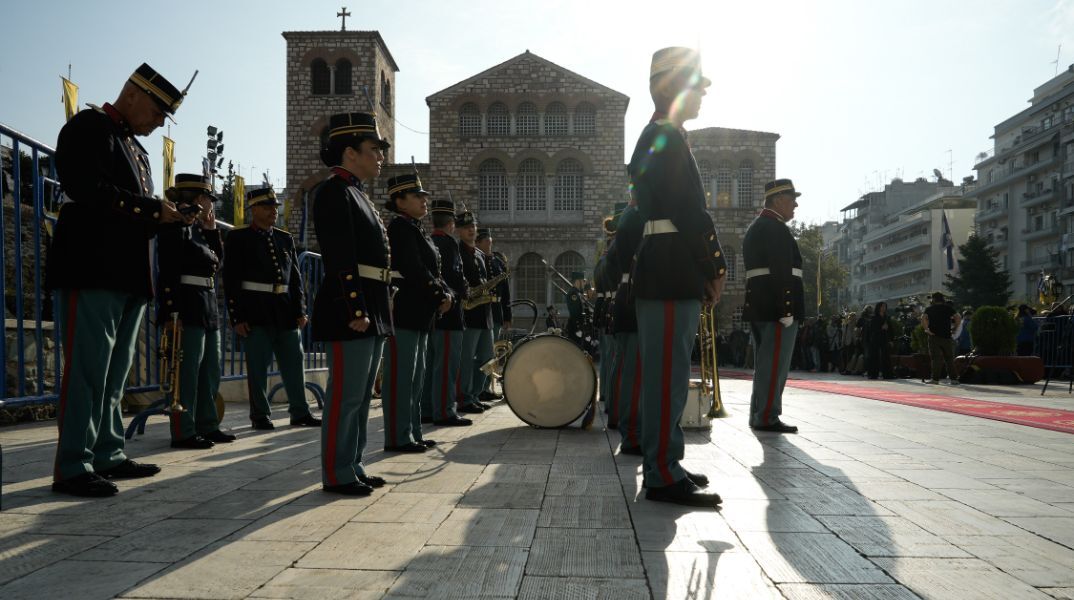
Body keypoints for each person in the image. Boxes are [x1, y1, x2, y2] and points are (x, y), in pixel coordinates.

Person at [46, 63, 195, 497]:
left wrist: (168, 218)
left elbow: (131, 209)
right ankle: (73, 464)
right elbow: (87, 187)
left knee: (113, 374)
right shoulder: (90, 126)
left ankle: (108, 451)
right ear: (132, 94)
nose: (160, 121)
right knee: (87, 372)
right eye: (157, 110)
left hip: (128, 273)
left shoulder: (137, 149)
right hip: (91, 267)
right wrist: (152, 211)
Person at [630, 47, 726, 507]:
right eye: (696, 85)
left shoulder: (662, 136)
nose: (703, 94)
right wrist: (714, 266)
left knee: (667, 374)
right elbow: (690, 211)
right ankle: (662, 474)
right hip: (671, 268)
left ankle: (666, 460)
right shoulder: (663, 137)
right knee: (667, 376)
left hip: (666, 266)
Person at [310, 111, 393, 495]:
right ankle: (337, 471)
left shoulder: (356, 192)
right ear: (349, 152)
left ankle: (353, 463)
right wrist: (355, 309)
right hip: (353, 309)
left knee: (360, 397)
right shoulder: (333, 192)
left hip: (372, 306)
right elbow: (340, 256)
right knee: (344, 397)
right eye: (373, 149)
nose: (381, 156)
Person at [224, 187, 320, 430]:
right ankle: (260, 415)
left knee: (294, 363)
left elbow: (295, 279)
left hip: (285, 311)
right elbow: (231, 280)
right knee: (257, 368)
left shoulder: (283, 238)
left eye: (274, 207)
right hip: (256, 311)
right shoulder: (238, 238)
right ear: (253, 209)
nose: (272, 212)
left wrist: (300, 309)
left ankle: (300, 411)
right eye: (267, 207)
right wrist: (237, 316)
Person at [157, 173, 235, 449]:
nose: (212, 204)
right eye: (208, 199)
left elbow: (216, 263)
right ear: (197, 199)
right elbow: (166, 272)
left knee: (210, 370)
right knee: (186, 372)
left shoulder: (201, 230)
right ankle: (183, 430)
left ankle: (208, 424)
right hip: (185, 304)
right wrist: (169, 313)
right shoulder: (174, 227)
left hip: (207, 303)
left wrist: (213, 231)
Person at [382, 173, 451, 453]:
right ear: (399, 201)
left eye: (424, 196)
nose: (424, 201)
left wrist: (446, 292)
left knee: (416, 376)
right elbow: (413, 268)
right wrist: (439, 294)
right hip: (406, 310)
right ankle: (398, 436)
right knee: (401, 377)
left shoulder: (416, 228)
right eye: (416, 196)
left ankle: (412, 432)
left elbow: (434, 269)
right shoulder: (400, 228)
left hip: (421, 312)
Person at [743, 179, 804, 434]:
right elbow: (781, 271)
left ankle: (759, 413)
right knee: (775, 364)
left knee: (766, 363)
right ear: (778, 200)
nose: (795, 205)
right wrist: (786, 309)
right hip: (775, 308)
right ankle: (767, 415)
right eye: (792, 199)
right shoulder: (775, 228)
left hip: (761, 305)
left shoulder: (759, 226)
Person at [424, 199, 472, 426]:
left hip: (434, 313)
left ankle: (426, 409)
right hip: (450, 314)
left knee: (431, 366)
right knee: (446, 368)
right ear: (451, 223)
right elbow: (453, 277)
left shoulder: (429, 240)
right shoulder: (448, 244)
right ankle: (444, 411)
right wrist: (463, 291)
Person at [607, 202, 644, 454]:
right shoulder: (634, 218)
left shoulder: (615, 241)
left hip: (624, 299)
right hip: (632, 299)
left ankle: (619, 417)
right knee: (631, 371)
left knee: (623, 367)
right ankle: (630, 429)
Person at [456, 209, 493, 414]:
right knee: (467, 358)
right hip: (469, 314)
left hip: (484, 313)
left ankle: (477, 393)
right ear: (459, 230)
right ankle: (465, 396)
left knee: (486, 356)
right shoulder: (457, 251)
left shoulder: (479, 255)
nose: (471, 230)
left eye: (473, 227)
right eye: (466, 228)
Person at [474, 228, 510, 401]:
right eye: (485, 241)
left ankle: (487, 387)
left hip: (496, 310)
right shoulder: (477, 259)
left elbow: (506, 291)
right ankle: (480, 388)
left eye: (490, 240)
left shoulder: (497, 262)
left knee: (491, 354)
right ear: (478, 242)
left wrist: (507, 315)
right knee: (483, 353)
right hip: (482, 308)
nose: (489, 243)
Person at [922, 291, 961, 384]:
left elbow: (923, 318)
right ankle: (954, 379)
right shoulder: (948, 308)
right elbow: (958, 317)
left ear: (933, 299)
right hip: (947, 336)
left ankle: (935, 379)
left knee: (936, 358)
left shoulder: (929, 309)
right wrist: (954, 328)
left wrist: (927, 329)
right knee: (949, 358)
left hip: (934, 336)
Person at [865, 302, 894, 379]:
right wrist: (881, 328)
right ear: (879, 307)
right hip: (875, 339)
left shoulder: (887, 317)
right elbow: (871, 329)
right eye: (882, 306)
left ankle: (887, 374)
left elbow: (890, 329)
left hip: (884, 338)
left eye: (885, 306)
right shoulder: (874, 317)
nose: (884, 308)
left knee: (886, 356)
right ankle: (873, 374)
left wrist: (891, 340)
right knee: (874, 356)